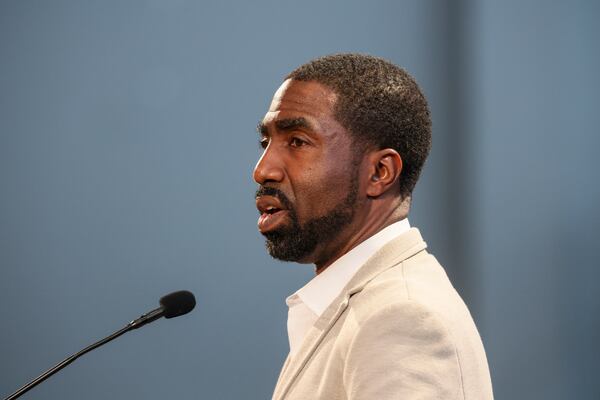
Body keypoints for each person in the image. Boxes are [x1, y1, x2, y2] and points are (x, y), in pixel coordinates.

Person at [253, 54, 493, 400]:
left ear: (380, 173)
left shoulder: (403, 317)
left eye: (297, 142)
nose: (263, 171)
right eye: (266, 143)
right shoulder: (363, 304)